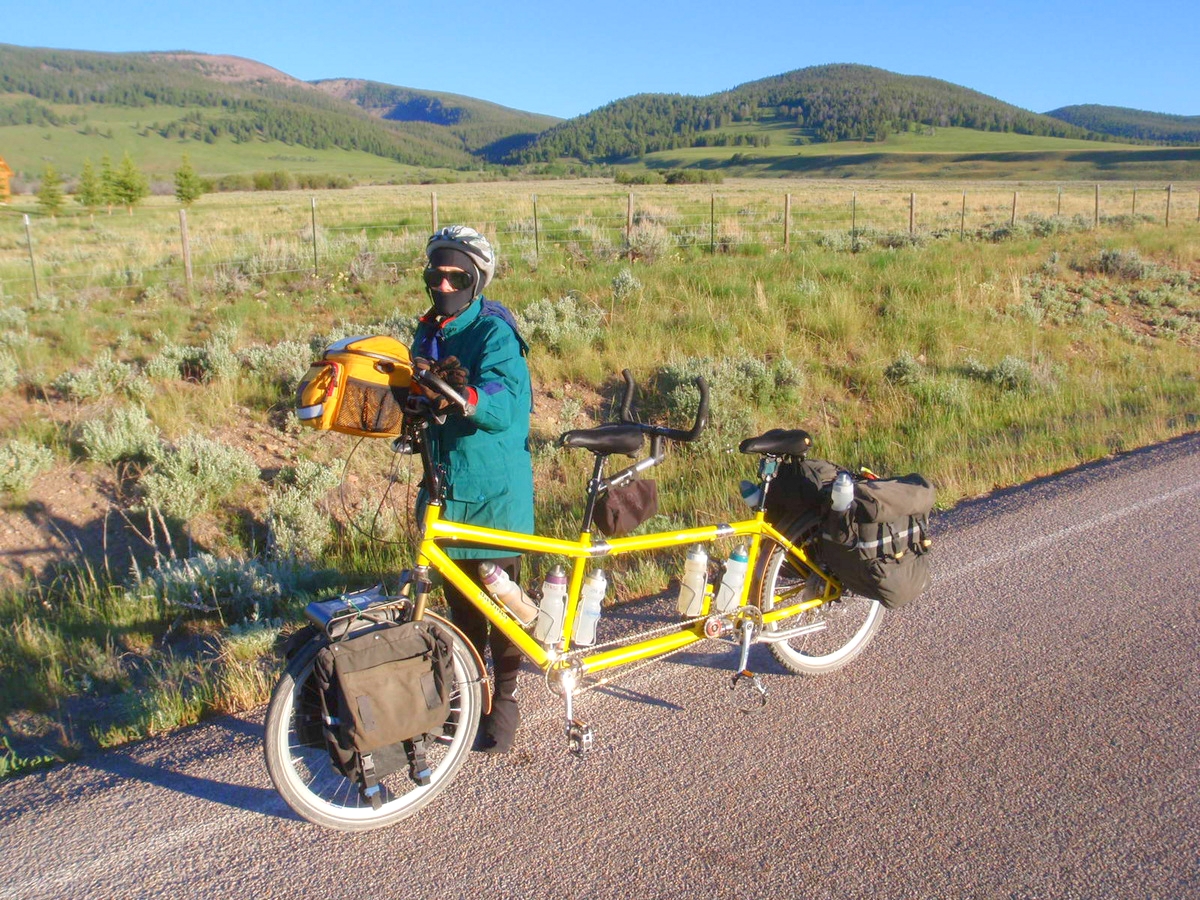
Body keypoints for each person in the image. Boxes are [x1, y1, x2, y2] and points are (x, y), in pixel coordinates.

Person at [410, 225, 533, 754]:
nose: (442, 283)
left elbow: (505, 402)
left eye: (455, 275)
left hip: (492, 488)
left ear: (476, 278)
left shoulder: (494, 332)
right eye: (434, 274)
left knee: (500, 601)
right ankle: (466, 694)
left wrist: (468, 394)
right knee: (461, 601)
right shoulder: (427, 330)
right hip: (444, 482)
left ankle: (505, 699)